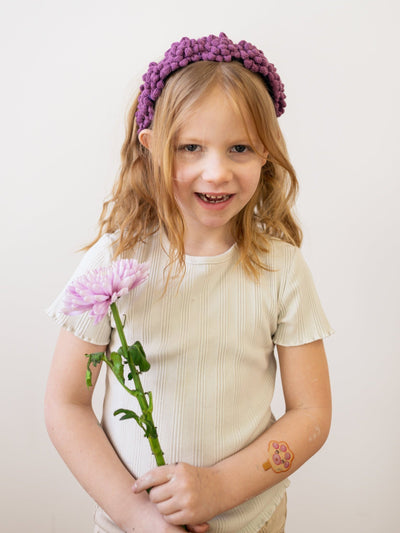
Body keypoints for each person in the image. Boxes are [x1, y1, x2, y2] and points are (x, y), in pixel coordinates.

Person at [45, 32, 333, 533]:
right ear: (152, 147)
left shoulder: (281, 269)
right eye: (190, 148)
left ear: (266, 152)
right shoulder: (112, 262)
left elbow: (310, 413)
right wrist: (140, 517)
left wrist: (219, 487)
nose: (216, 171)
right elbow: (66, 403)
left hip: (255, 520)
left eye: (239, 147)